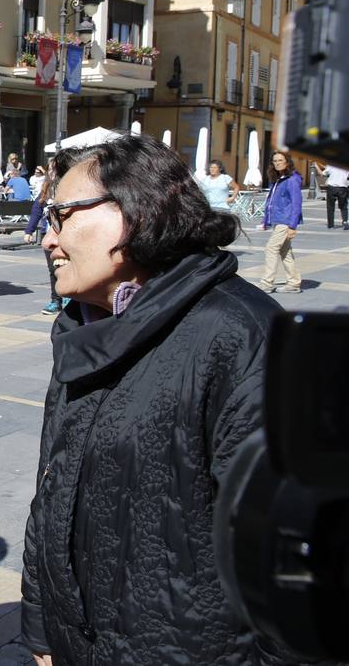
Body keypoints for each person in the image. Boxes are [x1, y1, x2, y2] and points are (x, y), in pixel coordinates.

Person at [22, 134, 293, 665]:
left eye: (61, 217)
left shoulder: (243, 338)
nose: (46, 240)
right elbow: (50, 495)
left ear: (135, 212)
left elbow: (291, 562)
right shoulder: (82, 324)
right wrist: (42, 627)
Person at [258, 150, 303, 294]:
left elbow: (297, 204)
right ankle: (294, 282)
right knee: (285, 251)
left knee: (271, 248)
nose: (277, 163)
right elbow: (270, 202)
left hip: (286, 220)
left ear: (287, 162)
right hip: (278, 220)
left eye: (280, 160)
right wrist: (266, 220)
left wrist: (293, 226)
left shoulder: (292, 179)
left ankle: (267, 282)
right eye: (275, 161)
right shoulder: (277, 179)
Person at [24, 167, 61, 315]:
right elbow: (36, 211)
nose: (52, 172)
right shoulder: (45, 190)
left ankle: (69, 299)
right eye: (50, 170)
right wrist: (29, 231)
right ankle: (56, 301)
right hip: (49, 236)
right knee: (53, 270)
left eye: (55, 169)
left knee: (66, 268)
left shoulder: (69, 188)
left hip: (66, 236)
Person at [317, 161, 348, 229]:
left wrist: (316, 165)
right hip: (343, 188)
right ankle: (345, 221)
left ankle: (331, 224)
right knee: (343, 206)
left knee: (330, 207)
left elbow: (322, 174)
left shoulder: (331, 166)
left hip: (332, 188)